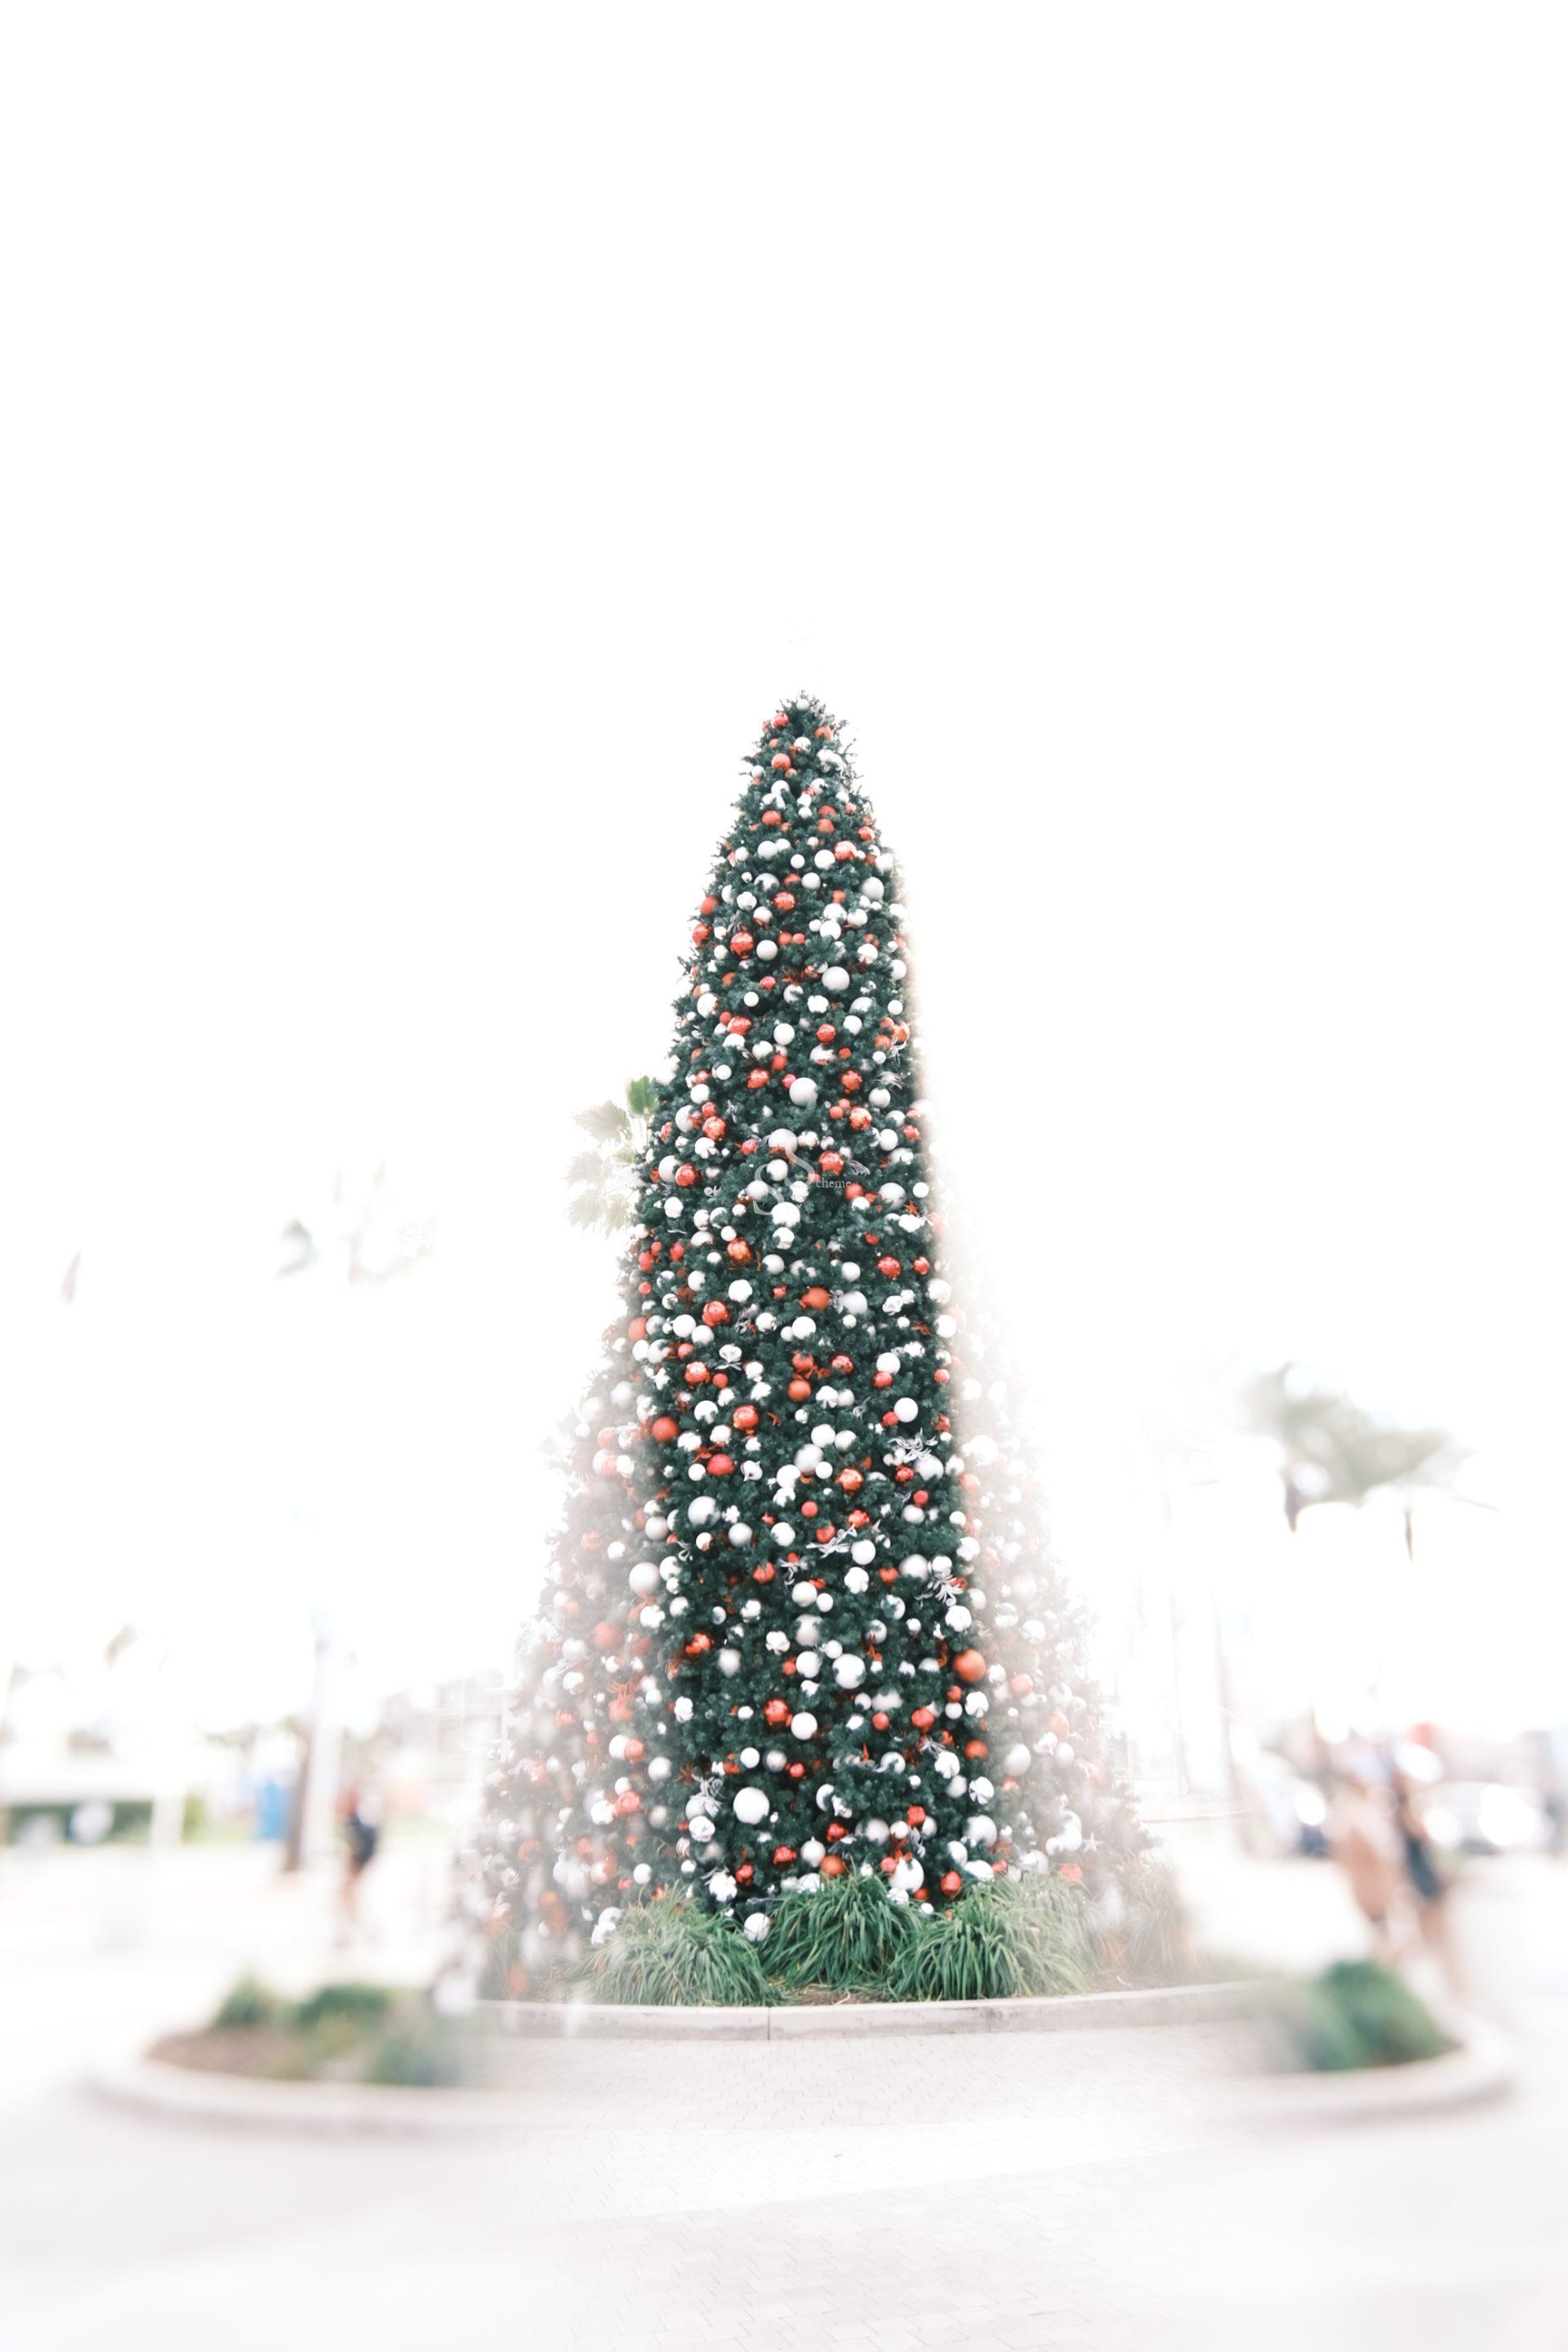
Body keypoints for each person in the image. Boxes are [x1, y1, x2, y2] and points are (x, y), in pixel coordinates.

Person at [1326, 1759, 1401, 1960]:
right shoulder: (1353, 1815)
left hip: (1378, 1882)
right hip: (1373, 1884)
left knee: (1389, 1935)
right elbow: (1360, 1854)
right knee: (1384, 1937)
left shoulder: (1366, 1809)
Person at [337, 1782, 383, 1942]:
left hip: (359, 1860)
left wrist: (358, 1862)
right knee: (348, 1894)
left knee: (352, 1895)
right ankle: (352, 1930)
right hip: (356, 1860)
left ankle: (361, 1931)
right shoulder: (354, 1819)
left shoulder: (361, 1819)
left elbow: (367, 1841)